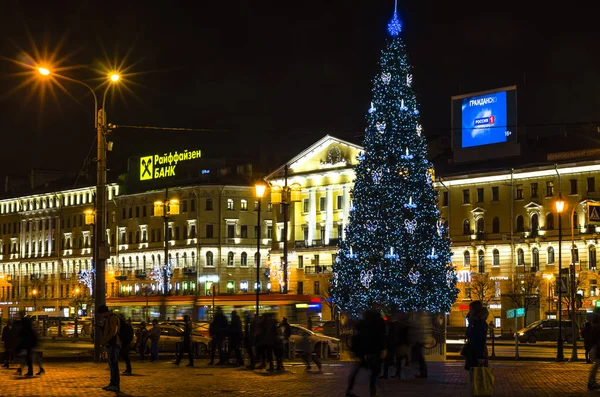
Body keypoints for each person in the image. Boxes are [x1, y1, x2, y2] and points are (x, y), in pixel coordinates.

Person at [346, 309, 386, 397]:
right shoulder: (378, 324)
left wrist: (355, 351)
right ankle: (373, 392)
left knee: (356, 371)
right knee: (374, 374)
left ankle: (349, 390)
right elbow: (382, 338)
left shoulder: (361, 324)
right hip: (374, 352)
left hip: (362, 352)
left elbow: (356, 337)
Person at [97, 304, 121, 392]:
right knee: (111, 365)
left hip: (114, 344)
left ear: (104, 312)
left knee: (114, 365)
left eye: (101, 314)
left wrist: (105, 341)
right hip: (111, 344)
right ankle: (112, 383)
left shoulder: (113, 318)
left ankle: (115, 384)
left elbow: (113, 332)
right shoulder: (108, 318)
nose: (102, 317)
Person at [464, 300, 489, 371]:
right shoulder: (474, 322)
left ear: (475, 310)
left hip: (476, 352)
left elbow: (481, 339)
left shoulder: (478, 322)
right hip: (474, 350)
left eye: (470, 309)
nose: (469, 311)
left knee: (478, 374)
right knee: (475, 373)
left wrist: (480, 356)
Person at [588, 312, 600, 390]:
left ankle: (592, 382)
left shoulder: (594, 327)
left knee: (596, 366)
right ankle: (591, 382)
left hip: (597, 348)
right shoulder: (597, 327)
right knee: (596, 366)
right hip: (598, 349)